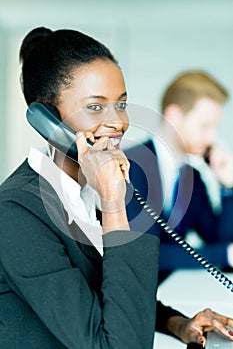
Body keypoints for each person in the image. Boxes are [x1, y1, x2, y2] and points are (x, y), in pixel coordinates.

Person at [0, 27, 233, 349]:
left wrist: (178, 323)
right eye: (95, 107)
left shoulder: (84, 191)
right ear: (47, 120)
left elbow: (102, 292)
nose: (119, 122)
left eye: (121, 104)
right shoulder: (16, 213)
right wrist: (113, 203)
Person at [125, 70, 233, 282]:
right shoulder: (130, 166)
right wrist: (226, 254)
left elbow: (219, 240)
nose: (212, 137)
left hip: (162, 299)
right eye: (205, 126)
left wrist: (228, 187)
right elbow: (145, 254)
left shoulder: (193, 179)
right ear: (174, 115)